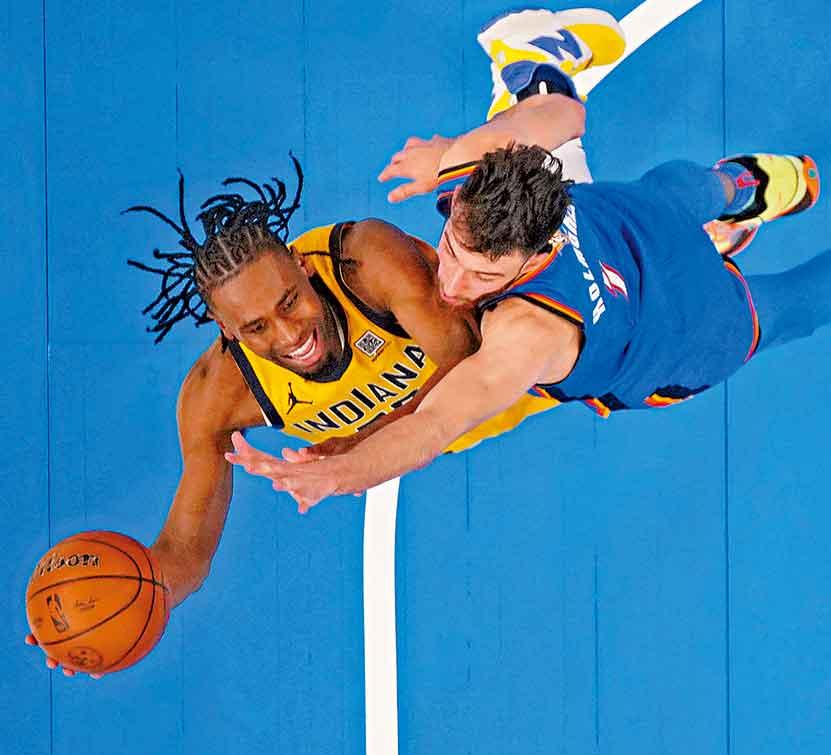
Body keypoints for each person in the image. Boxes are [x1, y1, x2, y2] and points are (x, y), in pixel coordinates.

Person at [26, 7, 630, 676]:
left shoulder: (370, 262)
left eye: (290, 302)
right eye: (256, 328)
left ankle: (535, 76)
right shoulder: (215, 399)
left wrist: (366, 448)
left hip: (490, 339)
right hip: (450, 406)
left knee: (558, 228)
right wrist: (127, 609)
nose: (290, 335)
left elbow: (467, 361)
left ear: (304, 268)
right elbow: (183, 555)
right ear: (226, 331)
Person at [224, 13, 831, 512]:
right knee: (681, 189)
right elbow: (563, 112)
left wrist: (341, 473)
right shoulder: (492, 179)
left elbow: (436, 424)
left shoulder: (528, 333)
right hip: (636, 225)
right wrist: (448, 154)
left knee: (790, 306)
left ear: (535, 252)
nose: (451, 282)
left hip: (687, 329)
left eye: (483, 277)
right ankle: (767, 186)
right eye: (454, 251)